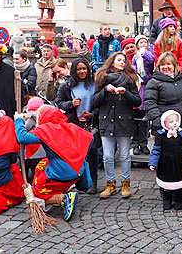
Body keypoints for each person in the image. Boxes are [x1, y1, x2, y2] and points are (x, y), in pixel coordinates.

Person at [15, 106, 93, 222]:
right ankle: (60, 190)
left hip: (62, 172)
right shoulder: (71, 127)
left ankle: (63, 198)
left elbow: (22, 138)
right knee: (42, 164)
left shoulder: (46, 130)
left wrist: (18, 120)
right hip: (78, 170)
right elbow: (89, 139)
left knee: (36, 193)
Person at [92, 52, 141, 199]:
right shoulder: (102, 78)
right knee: (107, 156)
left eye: (124, 60)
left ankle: (126, 184)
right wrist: (105, 92)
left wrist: (125, 93)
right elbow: (94, 101)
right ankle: (110, 184)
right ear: (112, 62)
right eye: (119, 60)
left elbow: (137, 101)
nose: (122, 62)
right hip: (106, 121)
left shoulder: (130, 79)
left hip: (124, 121)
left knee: (125, 155)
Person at [55, 58, 99, 194]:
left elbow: (100, 104)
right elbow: (59, 102)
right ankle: (78, 182)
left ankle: (93, 182)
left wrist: (92, 114)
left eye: (84, 69)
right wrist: (71, 104)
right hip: (74, 123)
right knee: (77, 154)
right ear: (74, 70)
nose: (82, 71)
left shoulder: (94, 84)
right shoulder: (67, 85)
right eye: (79, 69)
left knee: (92, 153)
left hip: (90, 123)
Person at [148, 110, 182, 210]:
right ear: (165, 124)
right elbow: (156, 150)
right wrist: (153, 162)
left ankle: (180, 199)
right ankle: (166, 199)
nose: (175, 123)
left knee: (180, 181)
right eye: (171, 122)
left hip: (179, 163)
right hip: (165, 163)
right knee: (166, 183)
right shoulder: (160, 136)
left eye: (176, 120)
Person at [145, 52, 182, 135]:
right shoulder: (153, 82)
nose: (165, 67)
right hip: (164, 128)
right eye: (162, 65)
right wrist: (159, 121)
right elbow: (150, 103)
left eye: (168, 64)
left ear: (174, 65)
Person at [131, 35, 155, 155]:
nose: (143, 45)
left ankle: (144, 143)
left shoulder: (148, 55)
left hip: (147, 86)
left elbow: (152, 61)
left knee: (145, 120)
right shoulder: (135, 57)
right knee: (137, 118)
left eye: (145, 42)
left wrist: (144, 53)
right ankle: (135, 143)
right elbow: (134, 69)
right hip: (139, 87)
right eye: (140, 43)